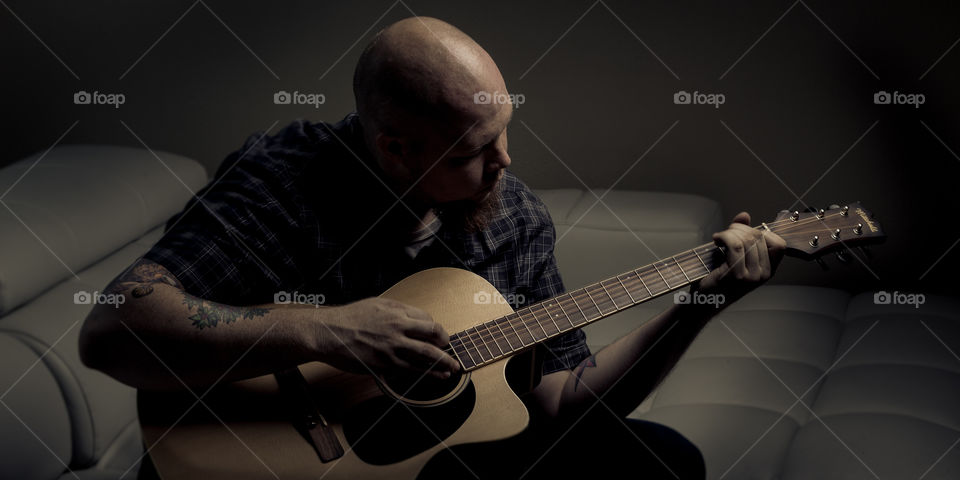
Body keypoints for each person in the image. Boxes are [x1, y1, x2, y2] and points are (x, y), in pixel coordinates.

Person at [79, 16, 785, 480]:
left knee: (662, 462)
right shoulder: (281, 182)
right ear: (395, 148)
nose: (505, 161)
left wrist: (698, 306)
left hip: (426, 460)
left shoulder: (513, 219)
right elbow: (113, 328)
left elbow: (560, 402)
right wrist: (325, 331)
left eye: (504, 131)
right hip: (252, 458)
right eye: (474, 151)